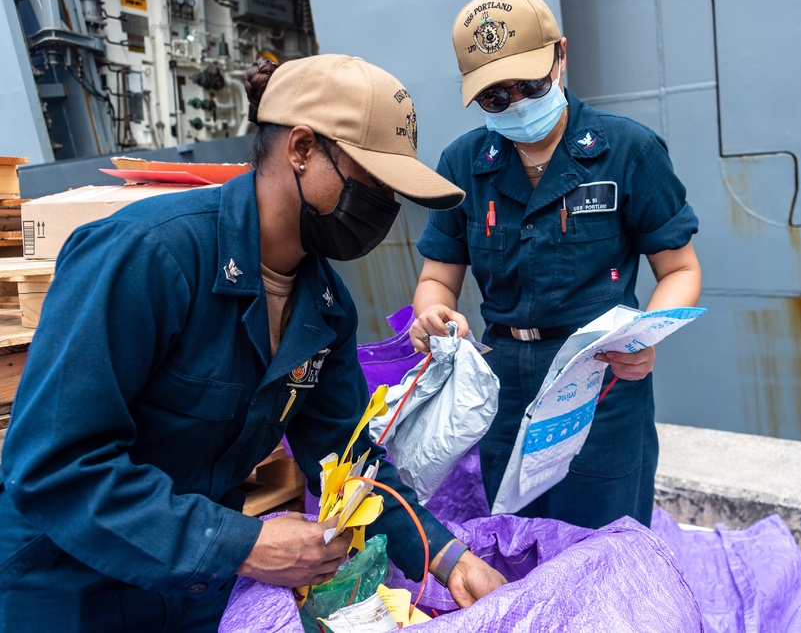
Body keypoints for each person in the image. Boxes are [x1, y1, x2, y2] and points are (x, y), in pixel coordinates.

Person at [0, 54, 505, 632]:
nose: (385, 211)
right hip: (67, 585)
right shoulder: (149, 257)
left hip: (191, 587)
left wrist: (447, 557)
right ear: (302, 149)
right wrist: (244, 543)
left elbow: (347, 461)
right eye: (373, 185)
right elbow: (54, 463)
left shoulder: (325, 307)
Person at [410, 0, 702, 529]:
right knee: (519, 538)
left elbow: (680, 269)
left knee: (602, 542)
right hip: (500, 384)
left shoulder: (629, 151)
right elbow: (437, 278)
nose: (518, 103)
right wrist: (431, 314)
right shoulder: (464, 164)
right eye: (497, 96)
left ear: (561, 57)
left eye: (532, 84)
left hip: (600, 380)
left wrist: (642, 339)